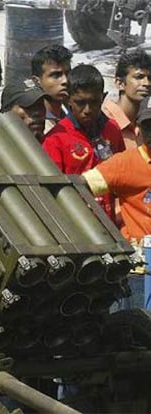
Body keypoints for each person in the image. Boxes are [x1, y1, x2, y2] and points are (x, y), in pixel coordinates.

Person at [83, 95, 151, 309]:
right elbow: (80, 186)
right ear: (139, 130)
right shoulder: (127, 163)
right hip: (141, 272)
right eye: (149, 127)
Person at [42, 64, 125, 222]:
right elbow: (52, 192)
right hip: (77, 227)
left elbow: (122, 176)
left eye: (94, 102)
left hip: (112, 226)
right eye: (80, 102)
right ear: (68, 100)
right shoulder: (56, 139)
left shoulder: (112, 130)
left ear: (103, 97)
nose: (87, 109)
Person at [102, 48, 151, 149]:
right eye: (139, 77)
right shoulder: (103, 122)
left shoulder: (145, 123)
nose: (147, 83)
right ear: (120, 83)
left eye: (150, 78)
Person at [31, 44, 73, 134]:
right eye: (56, 75)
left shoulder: (72, 112)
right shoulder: (37, 124)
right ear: (37, 81)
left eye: (68, 73)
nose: (65, 80)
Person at [0, 78, 47, 142]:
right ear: (6, 112)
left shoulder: (54, 146)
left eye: (40, 105)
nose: (37, 112)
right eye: (28, 106)